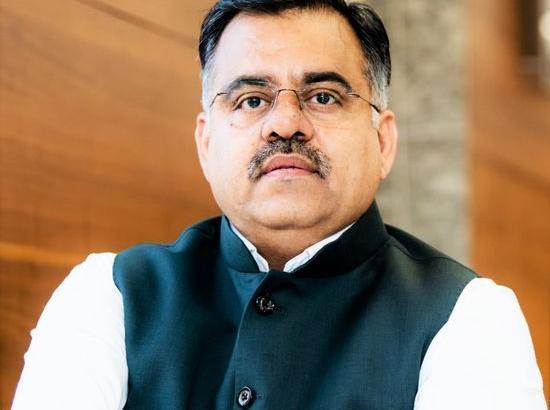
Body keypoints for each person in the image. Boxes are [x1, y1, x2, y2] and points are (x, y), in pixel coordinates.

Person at [12, 0, 547, 409]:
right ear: (206, 143)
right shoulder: (109, 296)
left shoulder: (468, 317)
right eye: (251, 99)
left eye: (323, 96)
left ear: (382, 141)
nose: (285, 123)